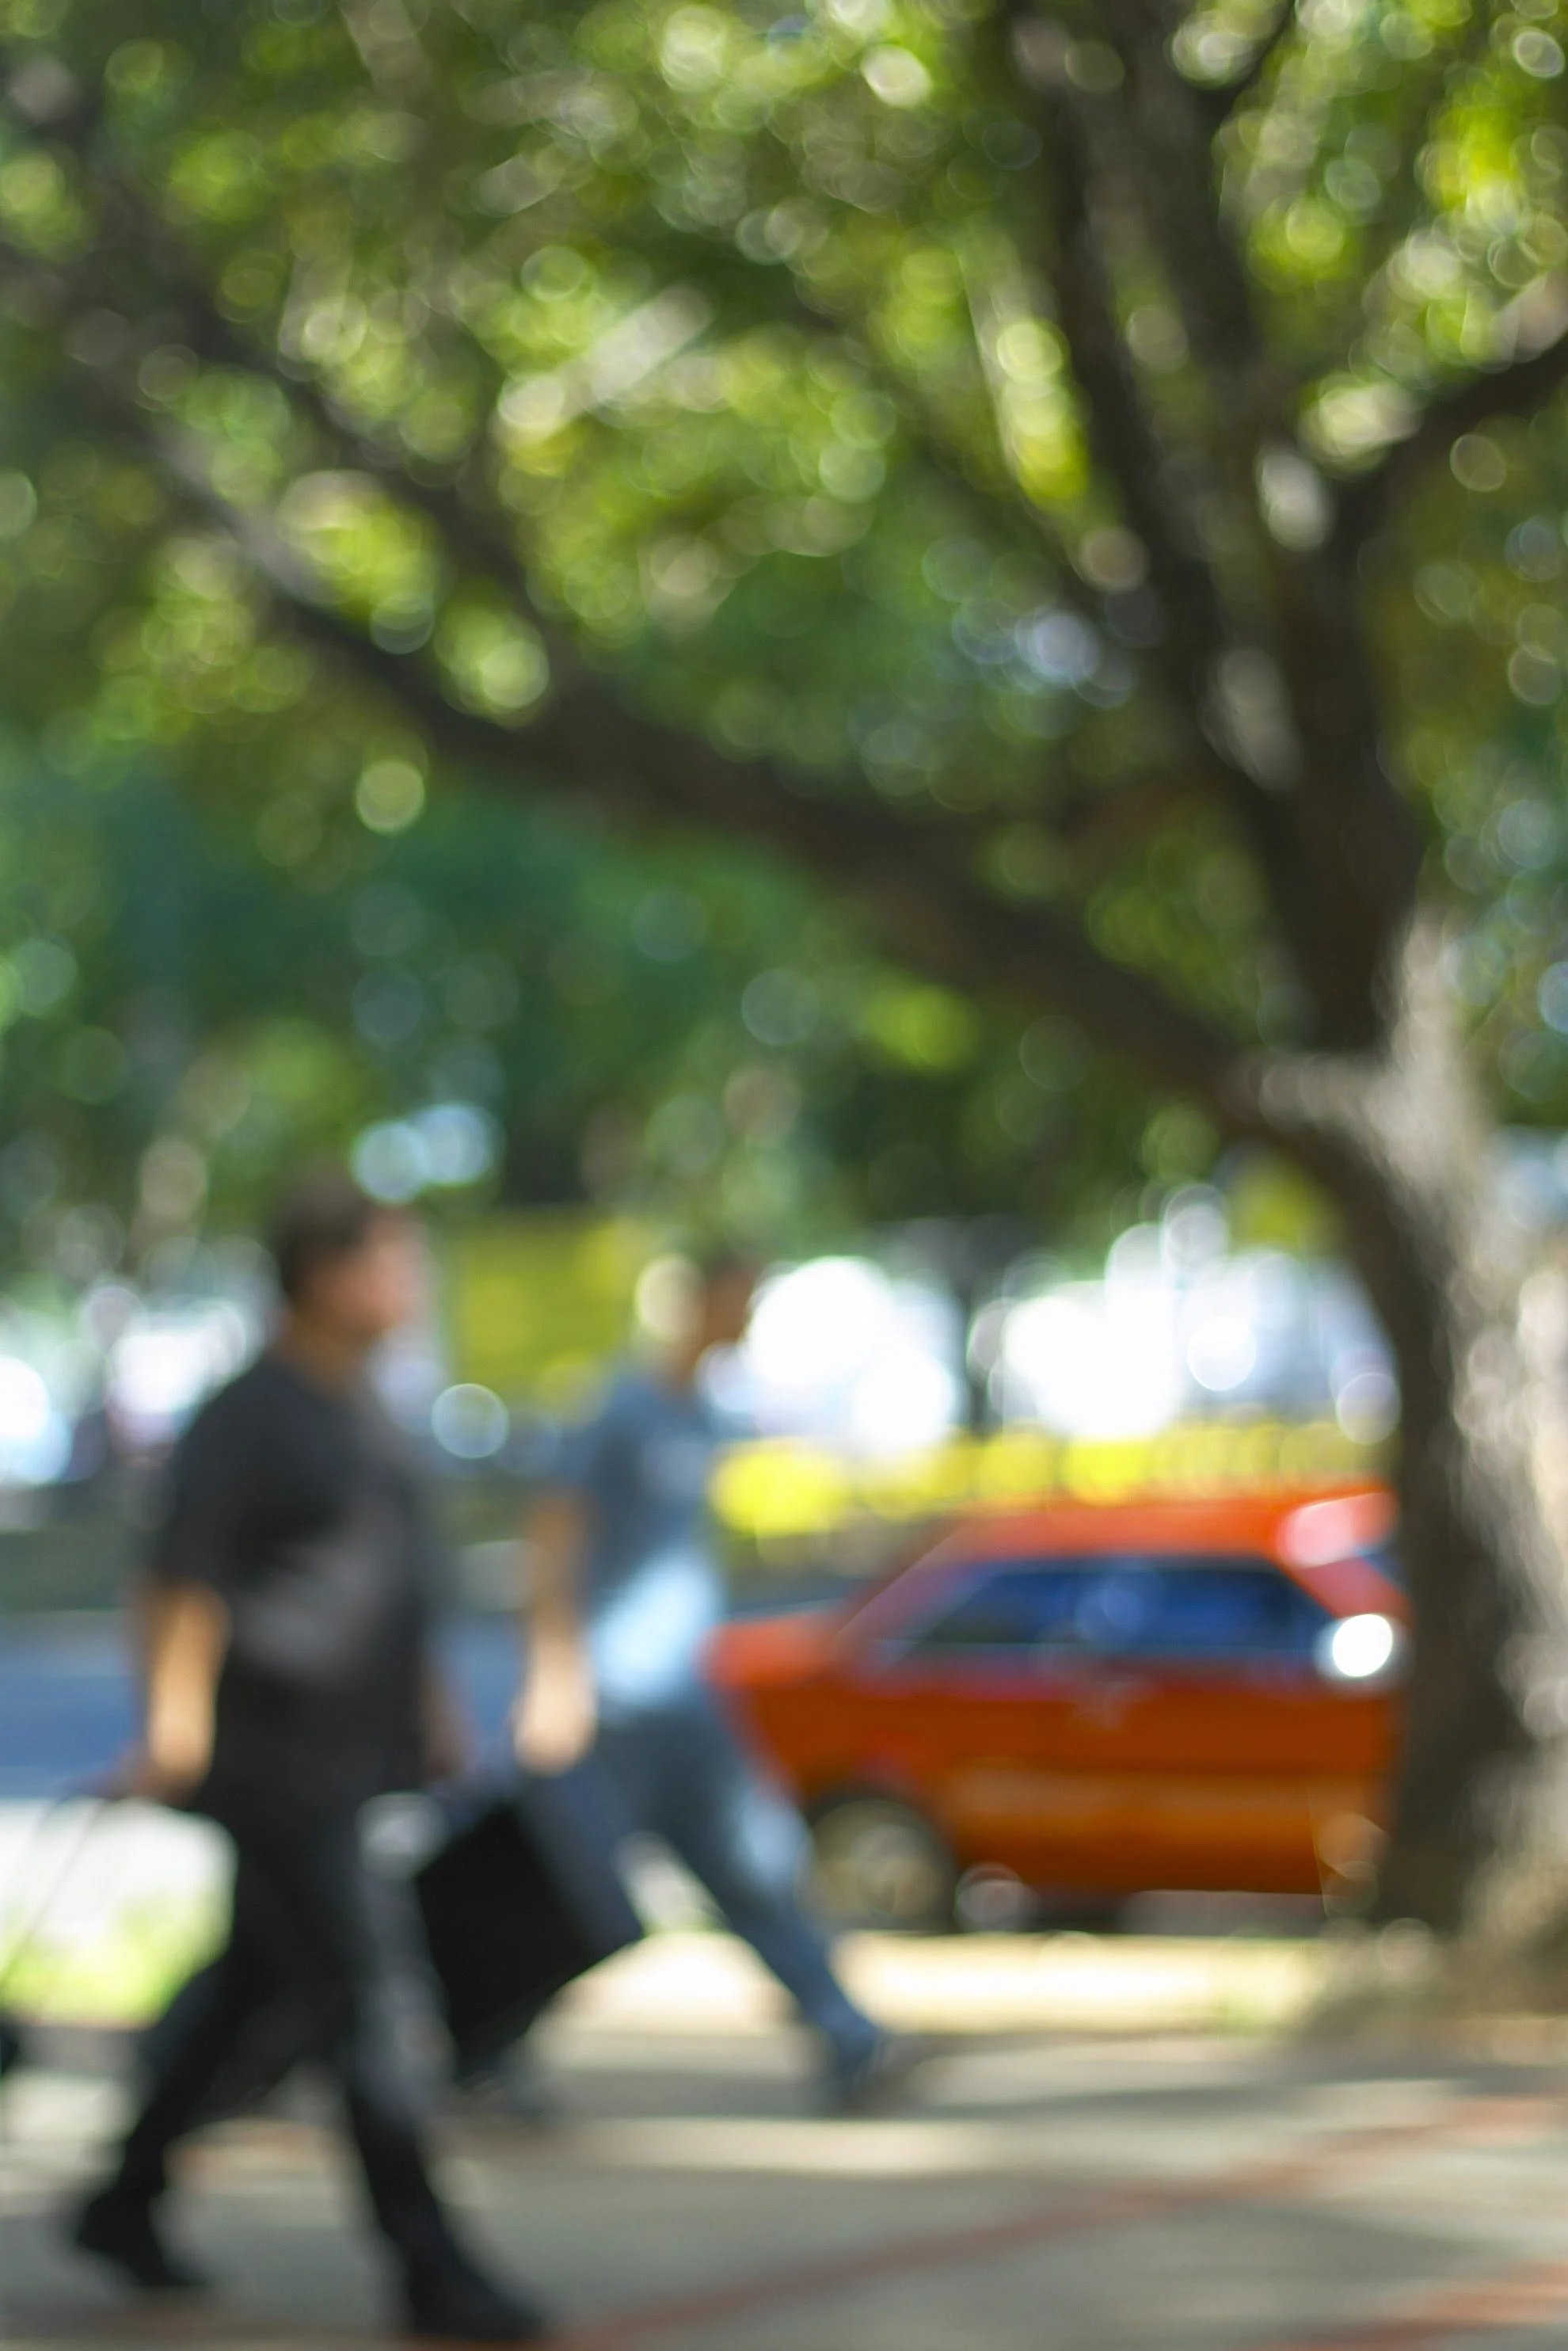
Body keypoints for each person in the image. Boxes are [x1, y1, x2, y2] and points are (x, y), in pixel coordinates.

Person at [72, 1168, 550, 2345]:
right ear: (327, 1272)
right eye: (393, 1260)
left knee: (258, 1992)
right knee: (370, 2002)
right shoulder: (250, 1411)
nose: (410, 1284)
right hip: (276, 1766)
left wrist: (434, 1699)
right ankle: (429, 2263)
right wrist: (174, 1725)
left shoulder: (365, 1408)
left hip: (356, 1755)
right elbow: (179, 1577)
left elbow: (393, 1580)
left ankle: (122, 2200)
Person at [512, 1249, 919, 2110]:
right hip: (612, 1702)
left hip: (685, 1696)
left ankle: (848, 2033)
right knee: (574, 1886)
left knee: (756, 1863)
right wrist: (555, 1674)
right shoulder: (622, 1408)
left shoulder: (706, 1415)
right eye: (740, 1300)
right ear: (700, 1300)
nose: (747, 1320)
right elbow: (554, 1531)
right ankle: (486, 2044)